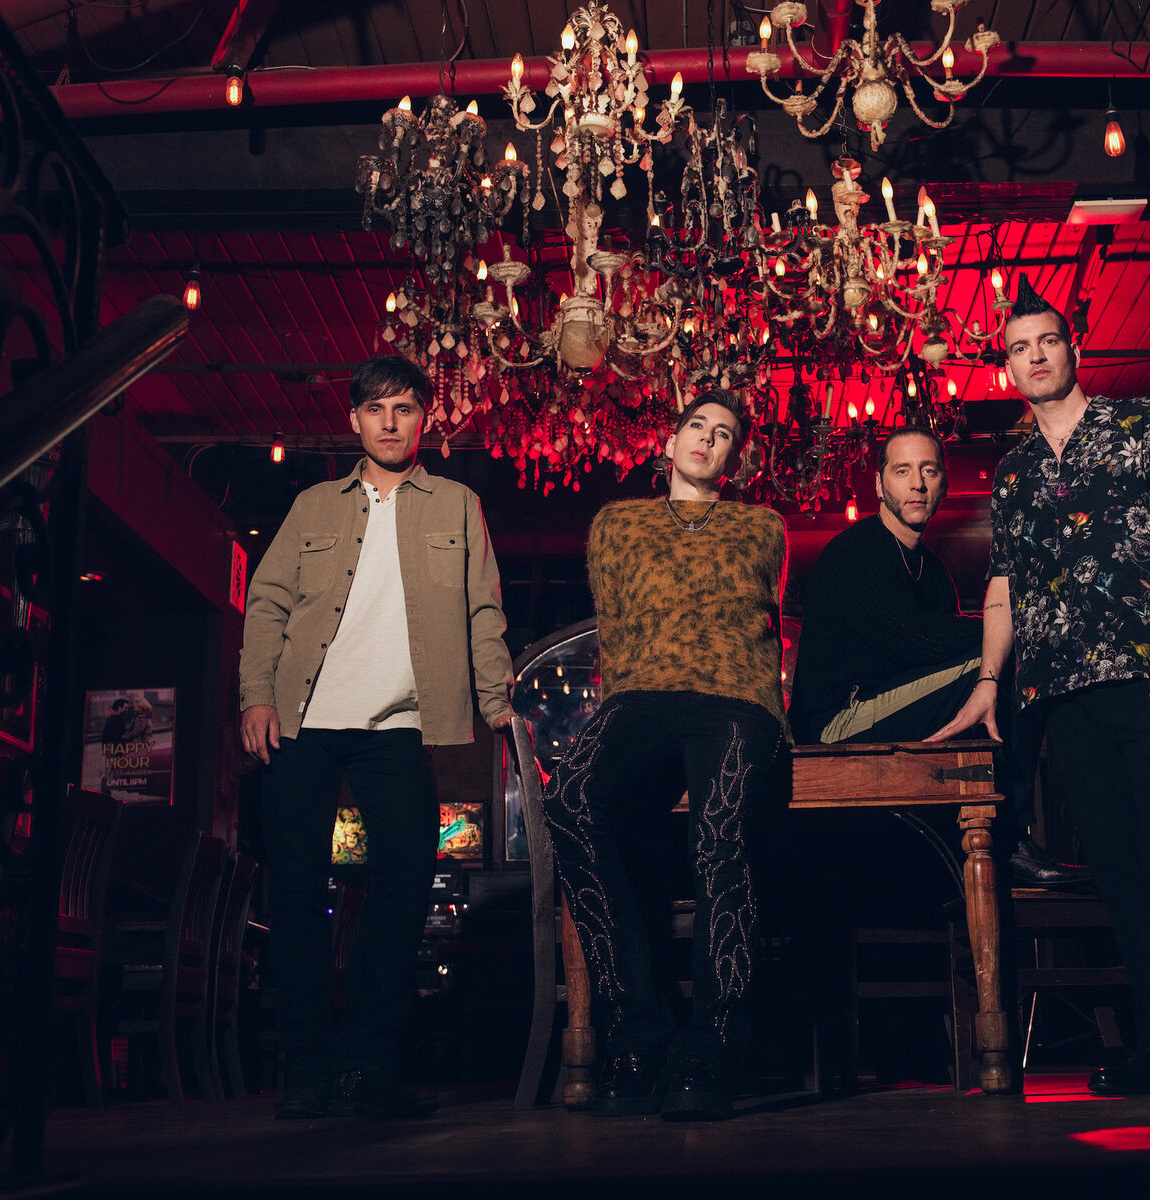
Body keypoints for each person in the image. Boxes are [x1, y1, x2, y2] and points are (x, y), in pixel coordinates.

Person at [934, 278, 1150, 1099]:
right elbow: (1003, 587)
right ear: (1007, 368)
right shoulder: (1015, 471)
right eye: (1018, 350)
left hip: (1147, 674)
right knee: (1116, 866)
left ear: (1072, 350)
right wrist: (990, 682)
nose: (1034, 358)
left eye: (1046, 343)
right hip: (1059, 694)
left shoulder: (1140, 427)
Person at [239, 354, 515, 1120]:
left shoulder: (457, 505)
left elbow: (481, 611)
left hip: (397, 727)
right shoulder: (311, 507)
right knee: (295, 893)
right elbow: (265, 604)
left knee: (400, 892)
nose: (390, 422)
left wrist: (496, 698)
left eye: (403, 408)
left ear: (423, 418)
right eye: (375, 410)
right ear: (354, 420)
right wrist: (255, 697)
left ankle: (368, 1068)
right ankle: (304, 1071)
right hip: (301, 723)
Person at [542, 390, 789, 1122]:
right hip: (640, 696)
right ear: (670, 439)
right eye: (696, 426)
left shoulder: (760, 525)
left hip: (737, 696)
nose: (707, 440)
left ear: (734, 458)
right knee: (568, 802)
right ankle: (637, 1028)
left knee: (718, 838)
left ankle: (712, 1040)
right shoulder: (616, 522)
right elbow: (619, 625)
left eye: (723, 435)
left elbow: (747, 615)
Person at [788, 427, 1089, 887]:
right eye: (902, 471)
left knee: (1002, 659)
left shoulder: (932, 572)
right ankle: (1011, 841)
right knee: (1005, 654)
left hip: (892, 705)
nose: (917, 484)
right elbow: (919, 642)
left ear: (944, 484)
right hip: (837, 722)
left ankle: (1019, 830)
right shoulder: (856, 552)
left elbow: (934, 655)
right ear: (879, 484)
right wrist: (1008, 625)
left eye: (928, 471)